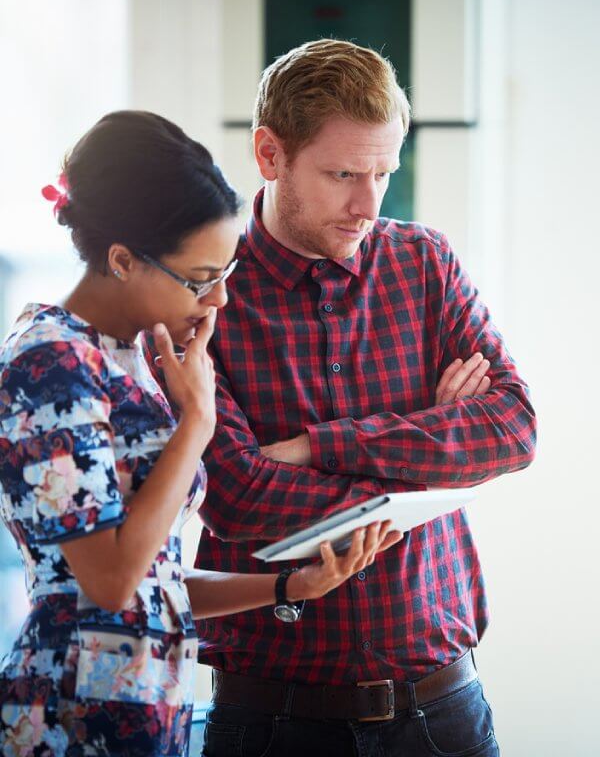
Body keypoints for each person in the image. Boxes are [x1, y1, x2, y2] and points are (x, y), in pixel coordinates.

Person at [0, 111, 401, 757]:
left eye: (226, 275)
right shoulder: (50, 361)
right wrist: (198, 423)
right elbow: (109, 582)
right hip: (71, 722)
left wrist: (286, 588)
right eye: (201, 279)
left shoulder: (132, 352)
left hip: (147, 715)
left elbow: (153, 580)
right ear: (124, 260)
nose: (218, 302)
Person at [189, 40, 537, 756]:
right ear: (270, 154)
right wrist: (434, 445)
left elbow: (513, 429)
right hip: (270, 719)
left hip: (444, 710)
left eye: (383, 172)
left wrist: (323, 446)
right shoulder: (208, 291)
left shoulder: (424, 262)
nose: (367, 204)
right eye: (343, 173)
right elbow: (234, 497)